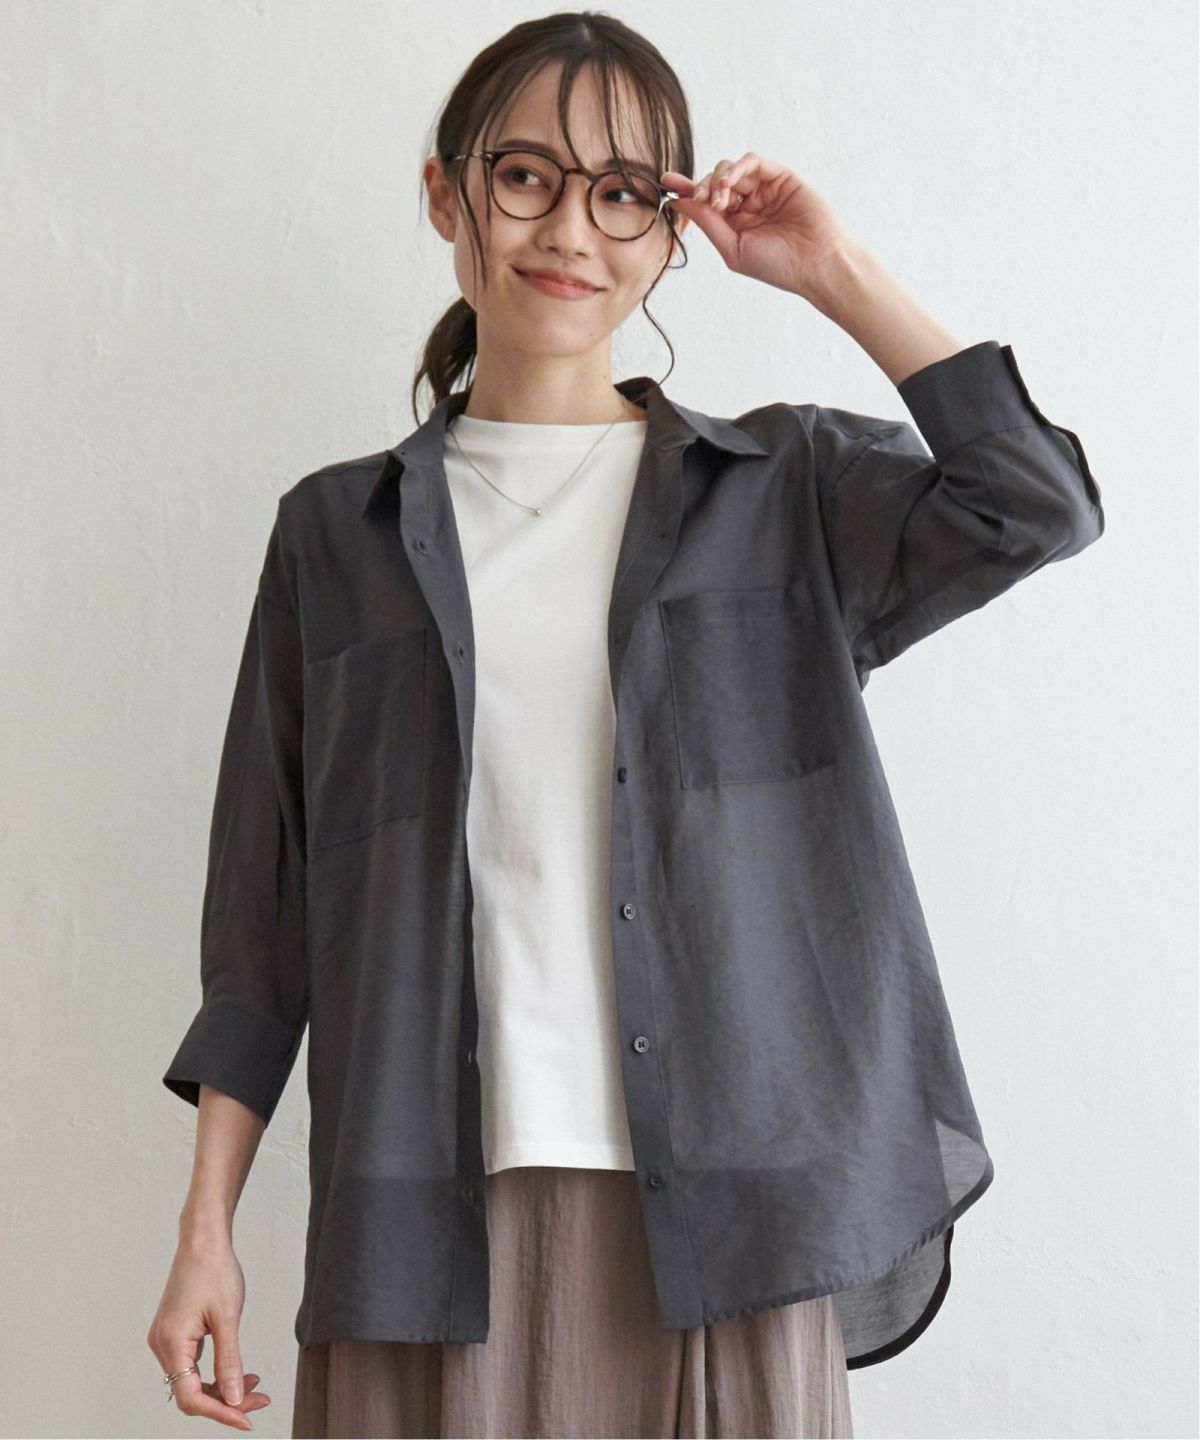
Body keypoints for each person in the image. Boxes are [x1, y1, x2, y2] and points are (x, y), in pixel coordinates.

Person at [147, 11, 1104, 1440]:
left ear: (669, 233)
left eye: (623, 193)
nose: (569, 231)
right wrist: (204, 1231)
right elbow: (262, 927)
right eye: (526, 176)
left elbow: (1035, 504)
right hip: (421, 1225)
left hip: (727, 1224)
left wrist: (830, 270)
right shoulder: (336, 536)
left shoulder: (779, 490)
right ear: (446, 194)